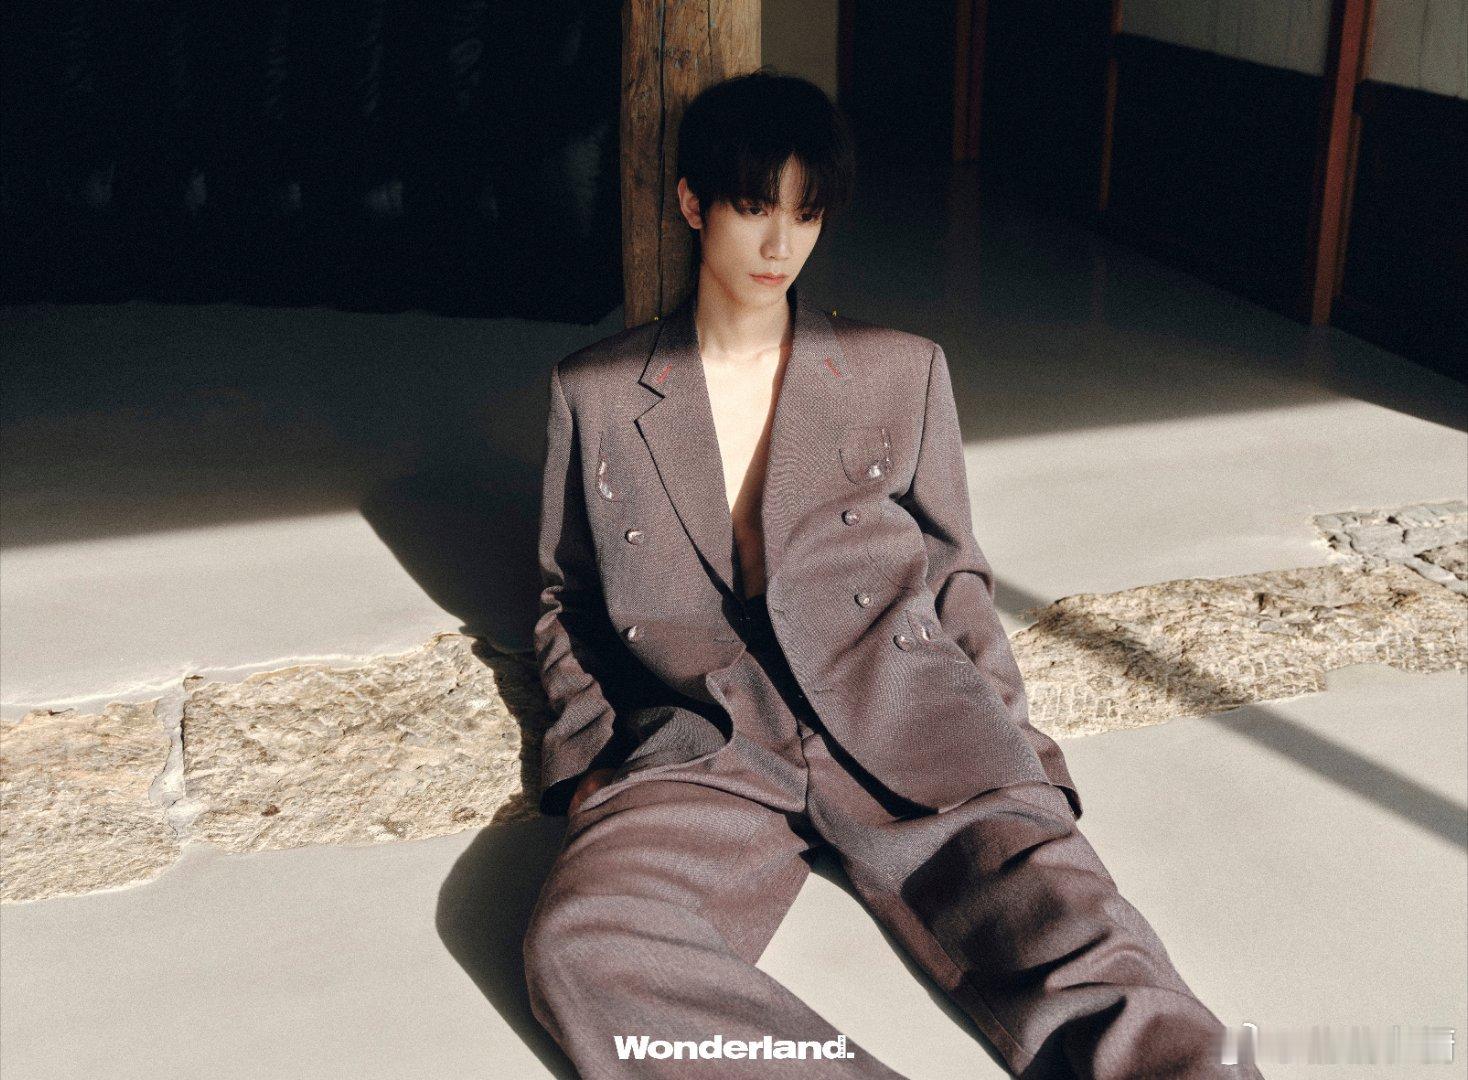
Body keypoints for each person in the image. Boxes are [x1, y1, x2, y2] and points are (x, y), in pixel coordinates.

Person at [523, 69, 1262, 1079]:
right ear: (692, 202)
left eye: (805, 215)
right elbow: (566, 595)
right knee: (588, 946)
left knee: (1095, 954)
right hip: (708, 732)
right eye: (753, 208)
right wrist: (584, 756)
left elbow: (957, 574)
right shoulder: (598, 391)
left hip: (901, 702)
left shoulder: (899, 369)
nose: (780, 246)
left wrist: (1016, 745)